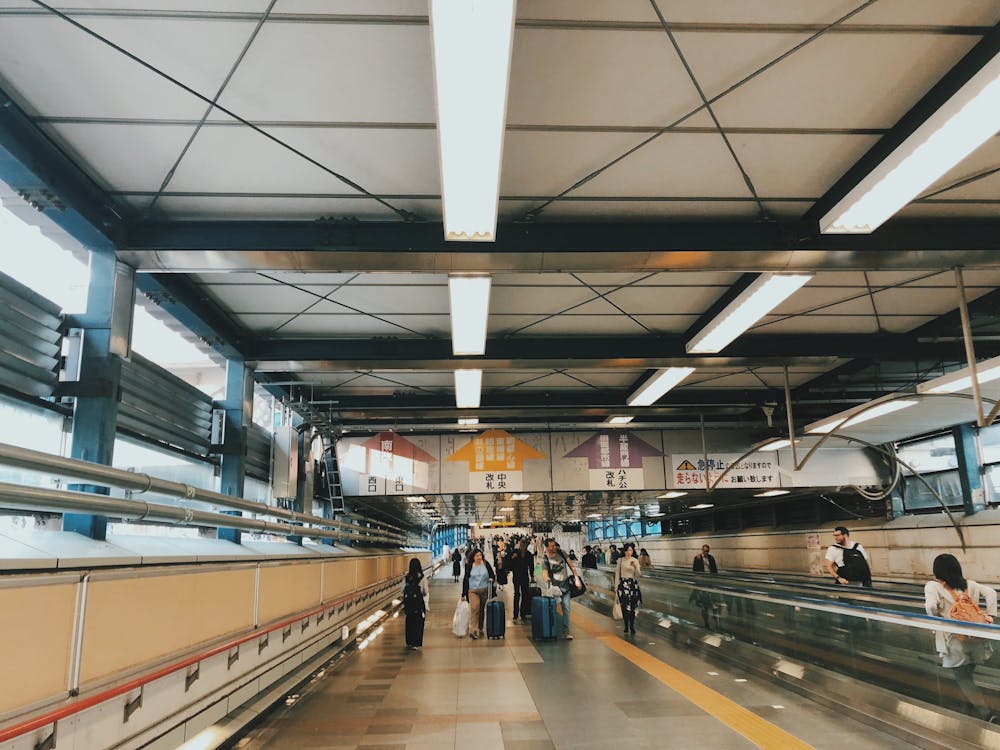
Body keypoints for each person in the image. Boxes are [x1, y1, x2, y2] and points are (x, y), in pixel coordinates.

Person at [924, 553, 998, 722]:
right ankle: (967, 703)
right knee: (968, 673)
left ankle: (986, 713)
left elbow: (931, 607)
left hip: (954, 641)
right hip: (976, 638)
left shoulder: (933, 587)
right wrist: (990, 615)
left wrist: (936, 617)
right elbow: (992, 593)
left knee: (963, 678)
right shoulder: (970, 585)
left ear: (937, 571)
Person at [542, 537, 582, 640]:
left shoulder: (562, 553)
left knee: (566, 608)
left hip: (565, 586)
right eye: (551, 546)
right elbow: (544, 572)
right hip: (554, 588)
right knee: (553, 609)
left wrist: (576, 578)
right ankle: (553, 630)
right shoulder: (545, 558)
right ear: (547, 547)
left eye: (554, 545)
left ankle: (566, 631)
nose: (554, 547)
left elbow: (571, 566)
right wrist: (546, 578)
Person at [461, 548, 496, 640]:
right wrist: (463, 594)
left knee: (481, 610)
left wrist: (491, 579)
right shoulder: (469, 566)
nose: (479, 557)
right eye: (477, 556)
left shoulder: (485, 564)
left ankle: (480, 627)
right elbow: (465, 580)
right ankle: (472, 630)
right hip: (473, 591)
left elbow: (492, 574)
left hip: (484, 590)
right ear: (473, 557)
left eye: (480, 555)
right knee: (475, 608)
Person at [615, 542, 642, 636]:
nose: (629, 552)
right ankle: (626, 625)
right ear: (624, 551)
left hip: (632, 585)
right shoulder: (620, 560)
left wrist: (635, 567)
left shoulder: (635, 560)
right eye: (628, 550)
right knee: (624, 606)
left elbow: (638, 575)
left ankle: (632, 626)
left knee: (632, 607)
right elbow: (617, 574)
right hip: (623, 585)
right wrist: (616, 586)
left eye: (631, 550)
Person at [402, 557, 429, 649]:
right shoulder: (422, 577)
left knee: (409, 621)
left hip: (409, 605)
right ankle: (416, 643)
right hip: (419, 604)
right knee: (418, 622)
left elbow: (402, 590)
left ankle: (409, 641)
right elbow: (425, 591)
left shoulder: (406, 577)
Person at [509, 538, 533, 623]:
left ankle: (523, 613)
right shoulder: (515, 553)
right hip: (516, 576)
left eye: (524, 546)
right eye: (522, 546)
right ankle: (515, 615)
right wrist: (512, 558)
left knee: (525, 594)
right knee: (517, 594)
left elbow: (531, 566)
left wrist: (532, 576)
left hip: (525, 577)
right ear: (520, 546)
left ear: (527, 546)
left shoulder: (529, 555)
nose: (523, 547)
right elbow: (509, 564)